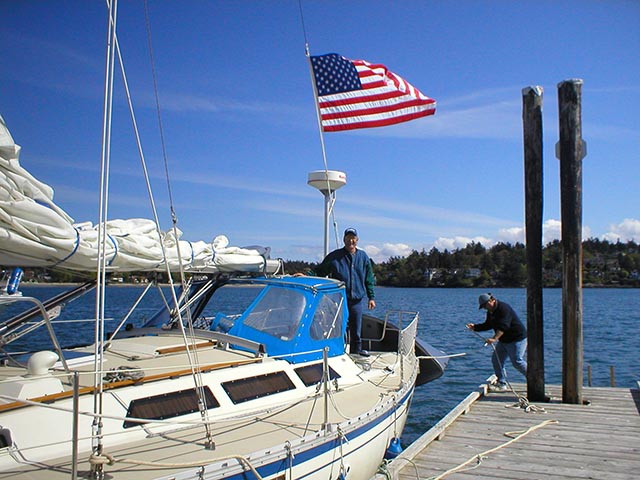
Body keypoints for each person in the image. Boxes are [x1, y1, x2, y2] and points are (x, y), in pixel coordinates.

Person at [314, 227, 376, 356]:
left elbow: (369, 278)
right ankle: (338, 354)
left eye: (353, 238)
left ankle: (356, 353)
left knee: (356, 331)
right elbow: (319, 271)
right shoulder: (335, 256)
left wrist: (371, 297)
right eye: (348, 238)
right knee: (339, 329)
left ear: (357, 240)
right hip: (339, 300)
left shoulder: (363, 257)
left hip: (357, 301)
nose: (350, 241)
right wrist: (305, 275)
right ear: (344, 239)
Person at [466, 293, 527, 391]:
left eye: (485, 305)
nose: (485, 308)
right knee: (496, 360)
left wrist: (494, 338)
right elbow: (488, 325)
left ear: (491, 300)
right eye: (483, 307)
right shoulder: (490, 312)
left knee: (517, 361)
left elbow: (504, 326)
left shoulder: (504, 308)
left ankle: (534, 379)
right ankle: (501, 383)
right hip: (504, 340)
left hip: (517, 339)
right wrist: (475, 327)